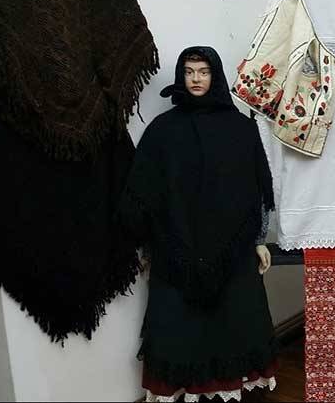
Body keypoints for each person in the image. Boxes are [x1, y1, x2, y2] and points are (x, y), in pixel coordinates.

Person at [119, 46, 278, 402]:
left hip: (233, 251)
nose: (195, 79)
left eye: (203, 72)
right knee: (179, 328)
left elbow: (256, 187)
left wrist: (258, 239)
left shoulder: (240, 128)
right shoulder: (163, 130)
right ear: (181, 76)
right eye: (189, 72)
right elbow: (145, 191)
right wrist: (148, 246)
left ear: (215, 75)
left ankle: (230, 388)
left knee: (236, 322)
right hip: (176, 250)